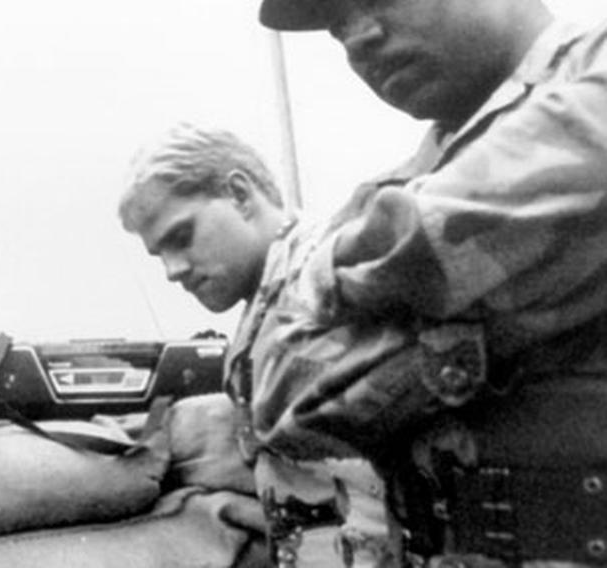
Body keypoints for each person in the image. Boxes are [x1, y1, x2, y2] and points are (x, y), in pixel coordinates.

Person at [252, 0, 607, 566]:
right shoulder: (394, 184)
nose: (357, 37)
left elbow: (424, 237)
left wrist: (338, 279)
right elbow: (278, 390)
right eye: (338, 26)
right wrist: (514, 316)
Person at [119, 123, 393, 567]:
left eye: (181, 236)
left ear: (240, 194)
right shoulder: (268, 305)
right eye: (159, 254)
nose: (172, 270)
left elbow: (374, 485)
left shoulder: (329, 277)